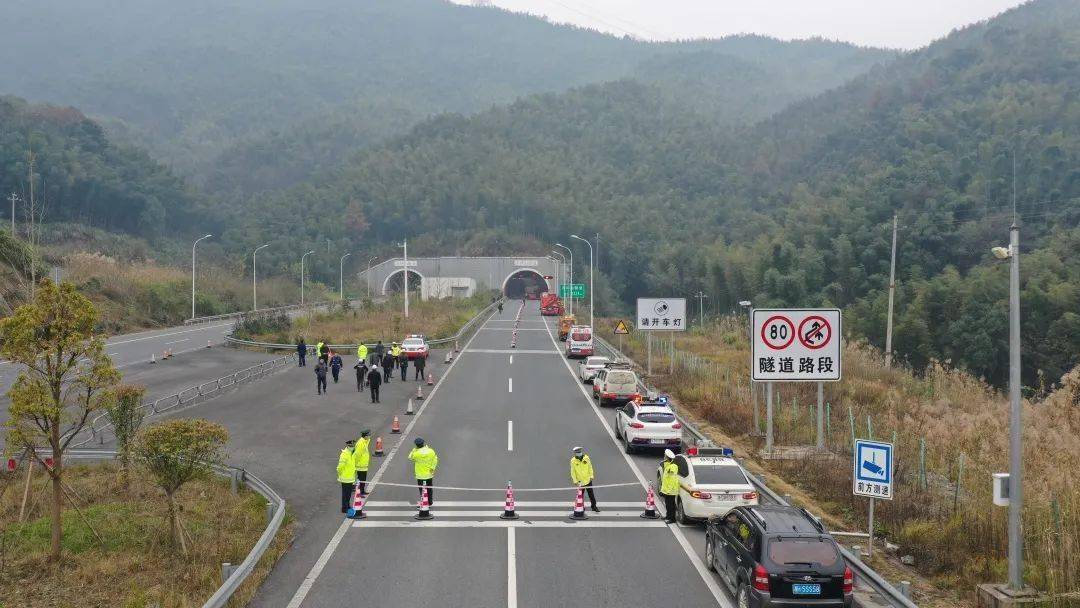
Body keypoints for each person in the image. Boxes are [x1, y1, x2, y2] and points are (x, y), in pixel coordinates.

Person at [408, 437, 438, 505]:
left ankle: (424, 503)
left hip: (420, 476)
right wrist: (432, 468)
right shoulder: (430, 451)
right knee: (429, 489)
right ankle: (430, 502)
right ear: (423, 443)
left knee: (422, 490)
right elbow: (435, 459)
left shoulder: (416, 454)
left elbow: (410, 457)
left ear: (416, 445)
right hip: (429, 474)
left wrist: (414, 450)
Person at [569, 446, 600, 512]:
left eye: (579, 452)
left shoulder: (586, 458)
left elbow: (590, 467)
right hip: (580, 482)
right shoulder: (573, 461)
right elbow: (572, 472)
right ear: (575, 453)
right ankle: (581, 507)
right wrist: (575, 481)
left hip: (588, 480)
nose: (579, 453)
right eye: (577, 452)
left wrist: (591, 476)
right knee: (580, 496)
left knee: (591, 494)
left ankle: (594, 506)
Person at [659, 449, 680, 524]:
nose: (664, 456)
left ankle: (672, 519)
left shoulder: (673, 466)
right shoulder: (668, 464)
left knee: (671, 505)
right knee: (667, 504)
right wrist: (663, 490)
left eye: (665, 455)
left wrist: (669, 490)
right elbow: (666, 479)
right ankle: (668, 516)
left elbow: (672, 479)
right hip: (667, 490)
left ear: (668, 457)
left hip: (671, 490)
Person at [337, 439, 357, 513]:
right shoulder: (344, 454)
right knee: (345, 494)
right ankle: (344, 507)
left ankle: (347, 506)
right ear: (348, 446)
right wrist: (340, 474)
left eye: (353, 446)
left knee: (348, 494)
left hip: (350, 478)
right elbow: (340, 467)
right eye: (351, 446)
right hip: (345, 478)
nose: (352, 447)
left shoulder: (352, 453)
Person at [354, 430, 372, 495]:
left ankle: (362, 491)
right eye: (369, 435)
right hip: (360, 465)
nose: (370, 436)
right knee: (361, 479)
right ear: (365, 436)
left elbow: (368, 441)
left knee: (363, 479)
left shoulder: (364, 441)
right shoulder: (360, 443)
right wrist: (355, 463)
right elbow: (357, 454)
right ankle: (359, 492)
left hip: (363, 465)